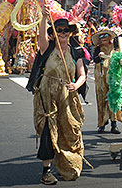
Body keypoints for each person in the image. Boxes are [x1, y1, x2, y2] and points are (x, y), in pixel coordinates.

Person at [30, 13, 86, 184]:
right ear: (53, 34)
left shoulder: (76, 52)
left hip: (67, 98)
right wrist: (44, 17)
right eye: (59, 30)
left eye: (66, 31)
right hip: (47, 97)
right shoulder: (47, 49)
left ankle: (66, 162)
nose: (62, 33)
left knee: (69, 131)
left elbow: (82, 74)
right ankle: (46, 171)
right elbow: (41, 36)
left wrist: (76, 85)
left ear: (70, 33)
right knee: (48, 129)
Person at [92, 27, 122, 134]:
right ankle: (102, 123)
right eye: (101, 36)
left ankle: (114, 124)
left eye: (105, 36)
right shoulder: (98, 49)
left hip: (112, 76)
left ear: (110, 37)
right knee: (101, 98)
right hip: (100, 75)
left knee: (113, 97)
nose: (103, 38)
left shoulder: (115, 48)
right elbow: (95, 60)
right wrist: (99, 57)